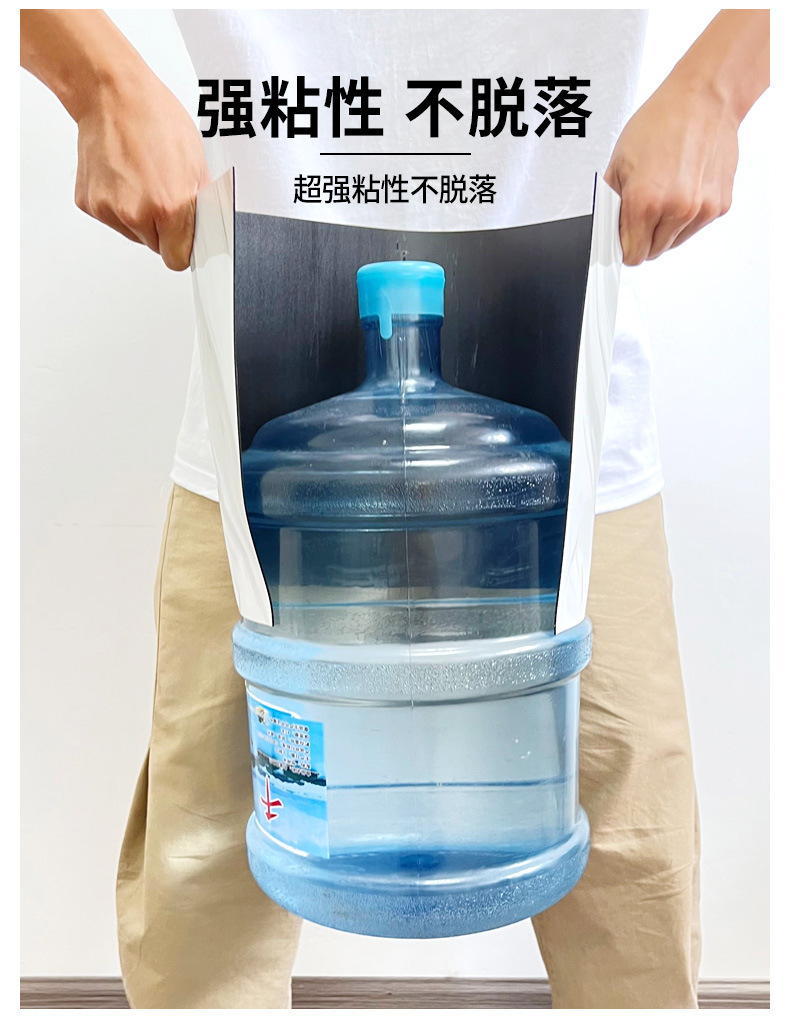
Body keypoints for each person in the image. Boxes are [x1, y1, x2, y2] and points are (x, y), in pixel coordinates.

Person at [21, 8, 769, 1010]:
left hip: (570, 440)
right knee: (206, 871)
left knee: (634, 872)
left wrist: (724, 78)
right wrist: (97, 79)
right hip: (261, 442)